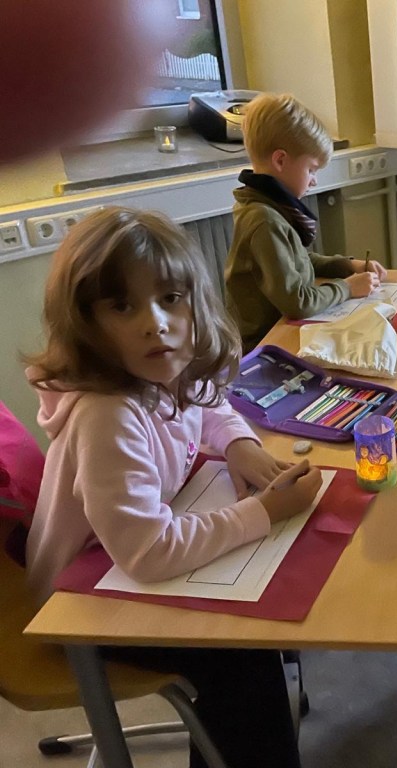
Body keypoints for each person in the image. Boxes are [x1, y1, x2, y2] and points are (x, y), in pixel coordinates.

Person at [24, 206, 324, 768]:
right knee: (241, 657)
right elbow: (148, 553)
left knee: (270, 611)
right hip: (80, 602)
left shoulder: (163, 369)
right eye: (122, 306)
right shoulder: (107, 415)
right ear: (86, 324)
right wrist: (262, 512)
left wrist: (239, 444)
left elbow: (210, 406)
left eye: (170, 298)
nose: (155, 323)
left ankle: (256, 715)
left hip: (125, 555)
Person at [225, 92, 388, 350]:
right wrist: (347, 288)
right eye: (311, 169)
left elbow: (299, 260)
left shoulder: (270, 206)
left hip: (285, 332)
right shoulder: (263, 219)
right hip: (267, 344)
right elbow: (298, 302)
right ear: (280, 160)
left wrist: (347, 265)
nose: (314, 181)